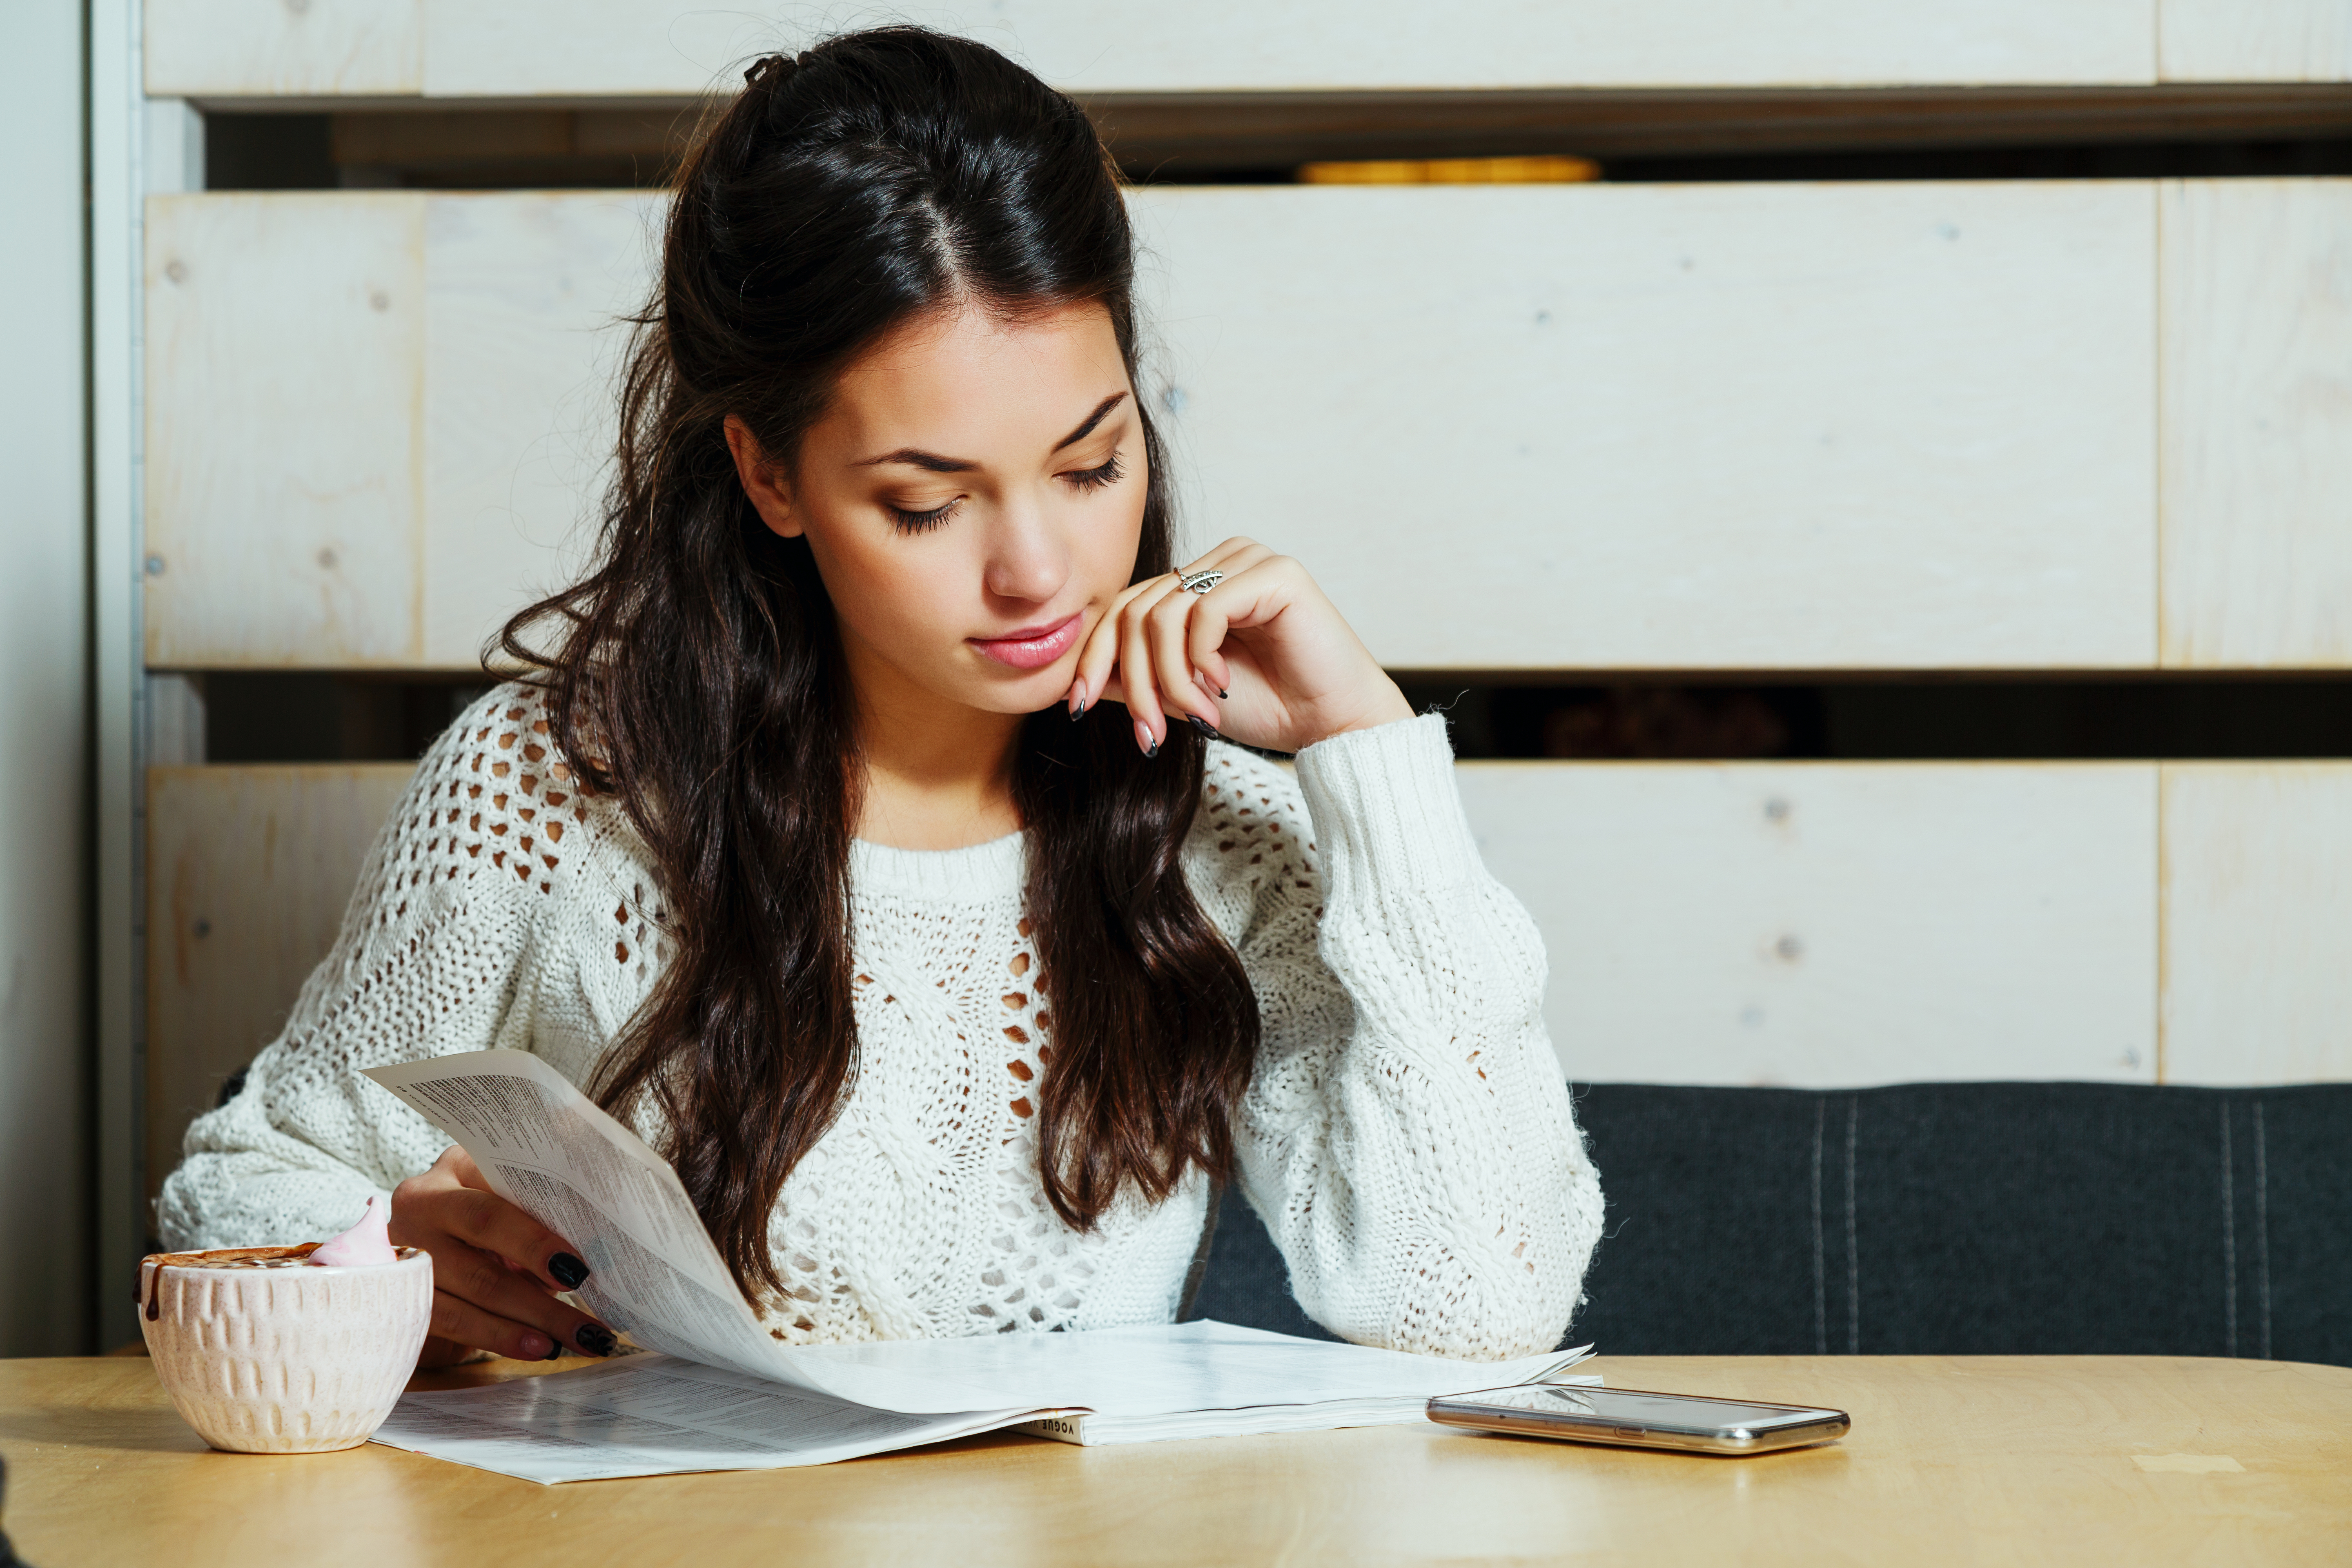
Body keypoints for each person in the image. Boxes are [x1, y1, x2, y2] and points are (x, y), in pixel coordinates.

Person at [159, 26, 1602, 1368]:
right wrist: (381, 1258)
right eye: (927, 504)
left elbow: (1478, 1311)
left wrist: (1371, 759)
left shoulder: (1216, 826)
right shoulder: (552, 792)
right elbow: (254, 1184)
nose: (1040, 571)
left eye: (1093, 467)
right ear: (770, 474)